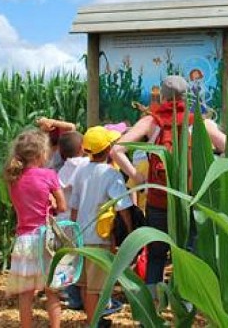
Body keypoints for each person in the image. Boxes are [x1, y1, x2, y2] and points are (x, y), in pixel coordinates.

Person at [110, 75, 226, 296]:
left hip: (158, 201)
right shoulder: (201, 123)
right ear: (186, 96)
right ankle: (185, 307)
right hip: (190, 201)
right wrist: (211, 176)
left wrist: (137, 176)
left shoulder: (151, 122)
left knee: (156, 255)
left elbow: (116, 150)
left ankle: (152, 313)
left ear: (162, 96)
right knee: (188, 255)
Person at [70, 126, 136, 326]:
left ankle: (93, 318)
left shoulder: (80, 170)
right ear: (109, 150)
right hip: (99, 238)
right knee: (95, 288)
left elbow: (74, 204)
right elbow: (123, 205)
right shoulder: (111, 174)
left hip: (81, 236)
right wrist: (131, 230)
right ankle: (94, 322)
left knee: (85, 283)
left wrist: (73, 231)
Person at [3, 129, 66, 328]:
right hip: (45, 238)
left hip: (23, 241)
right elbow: (62, 206)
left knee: (25, 293)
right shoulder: (49, 175)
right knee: (52, 291)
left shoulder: (13, 178)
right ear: (41, 154)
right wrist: (51, 205)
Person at [54, 131, 89, 310]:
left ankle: (67, 293)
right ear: (83, 148)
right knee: (81, 260)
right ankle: (80, 297)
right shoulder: (86, 165)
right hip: (80, 220)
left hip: (62, 221)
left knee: (66, 258)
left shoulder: (62, 169)